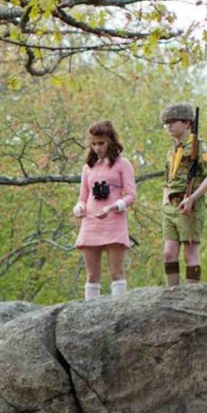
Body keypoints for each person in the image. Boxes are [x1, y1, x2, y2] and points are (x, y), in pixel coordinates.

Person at [72, 119, 138, 299]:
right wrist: (78, 208)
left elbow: (131, 195)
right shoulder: (88, 168)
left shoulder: (122, 164)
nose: (96, 147)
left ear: (110, 141)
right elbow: (83, 198)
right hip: (91, 223)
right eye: (93, 144)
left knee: (116, 272)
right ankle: (90, 312)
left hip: (114, 222)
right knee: (92, 276)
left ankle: (118, 310)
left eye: (101, 143)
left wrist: (114, 207)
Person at [159, 102, 207, 286]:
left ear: (186, 123)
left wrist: (193, 197)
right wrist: (165, 202)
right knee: (169, 253)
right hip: (171, 206)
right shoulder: (172, 150)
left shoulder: (199, 146)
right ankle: (172, 293)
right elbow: (168, 179)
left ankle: (191, 294)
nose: (168, 125)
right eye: (165, 122)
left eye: (172, 121)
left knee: (190, 252)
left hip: (190, 205)